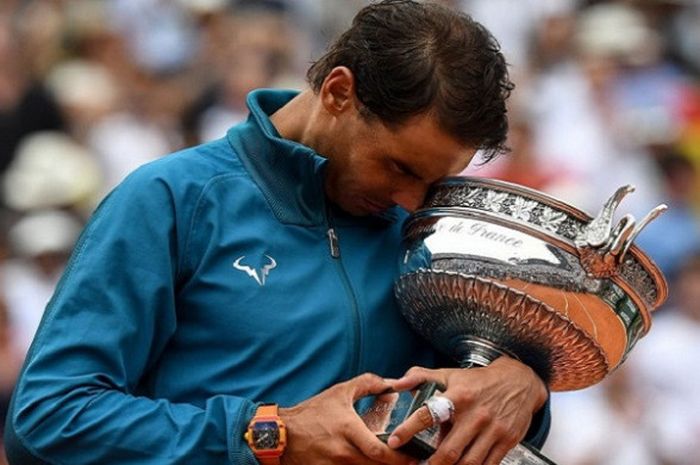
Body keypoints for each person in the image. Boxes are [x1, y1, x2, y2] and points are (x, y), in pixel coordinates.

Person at [4, 2, 550, 465]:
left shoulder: (430, 225)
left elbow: (472, 400)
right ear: (339, 92)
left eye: (435, 180)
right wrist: (270, 436)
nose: (413, 202)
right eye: (400, 168)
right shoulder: (173, 199)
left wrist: (522, 386)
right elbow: (47, 418)